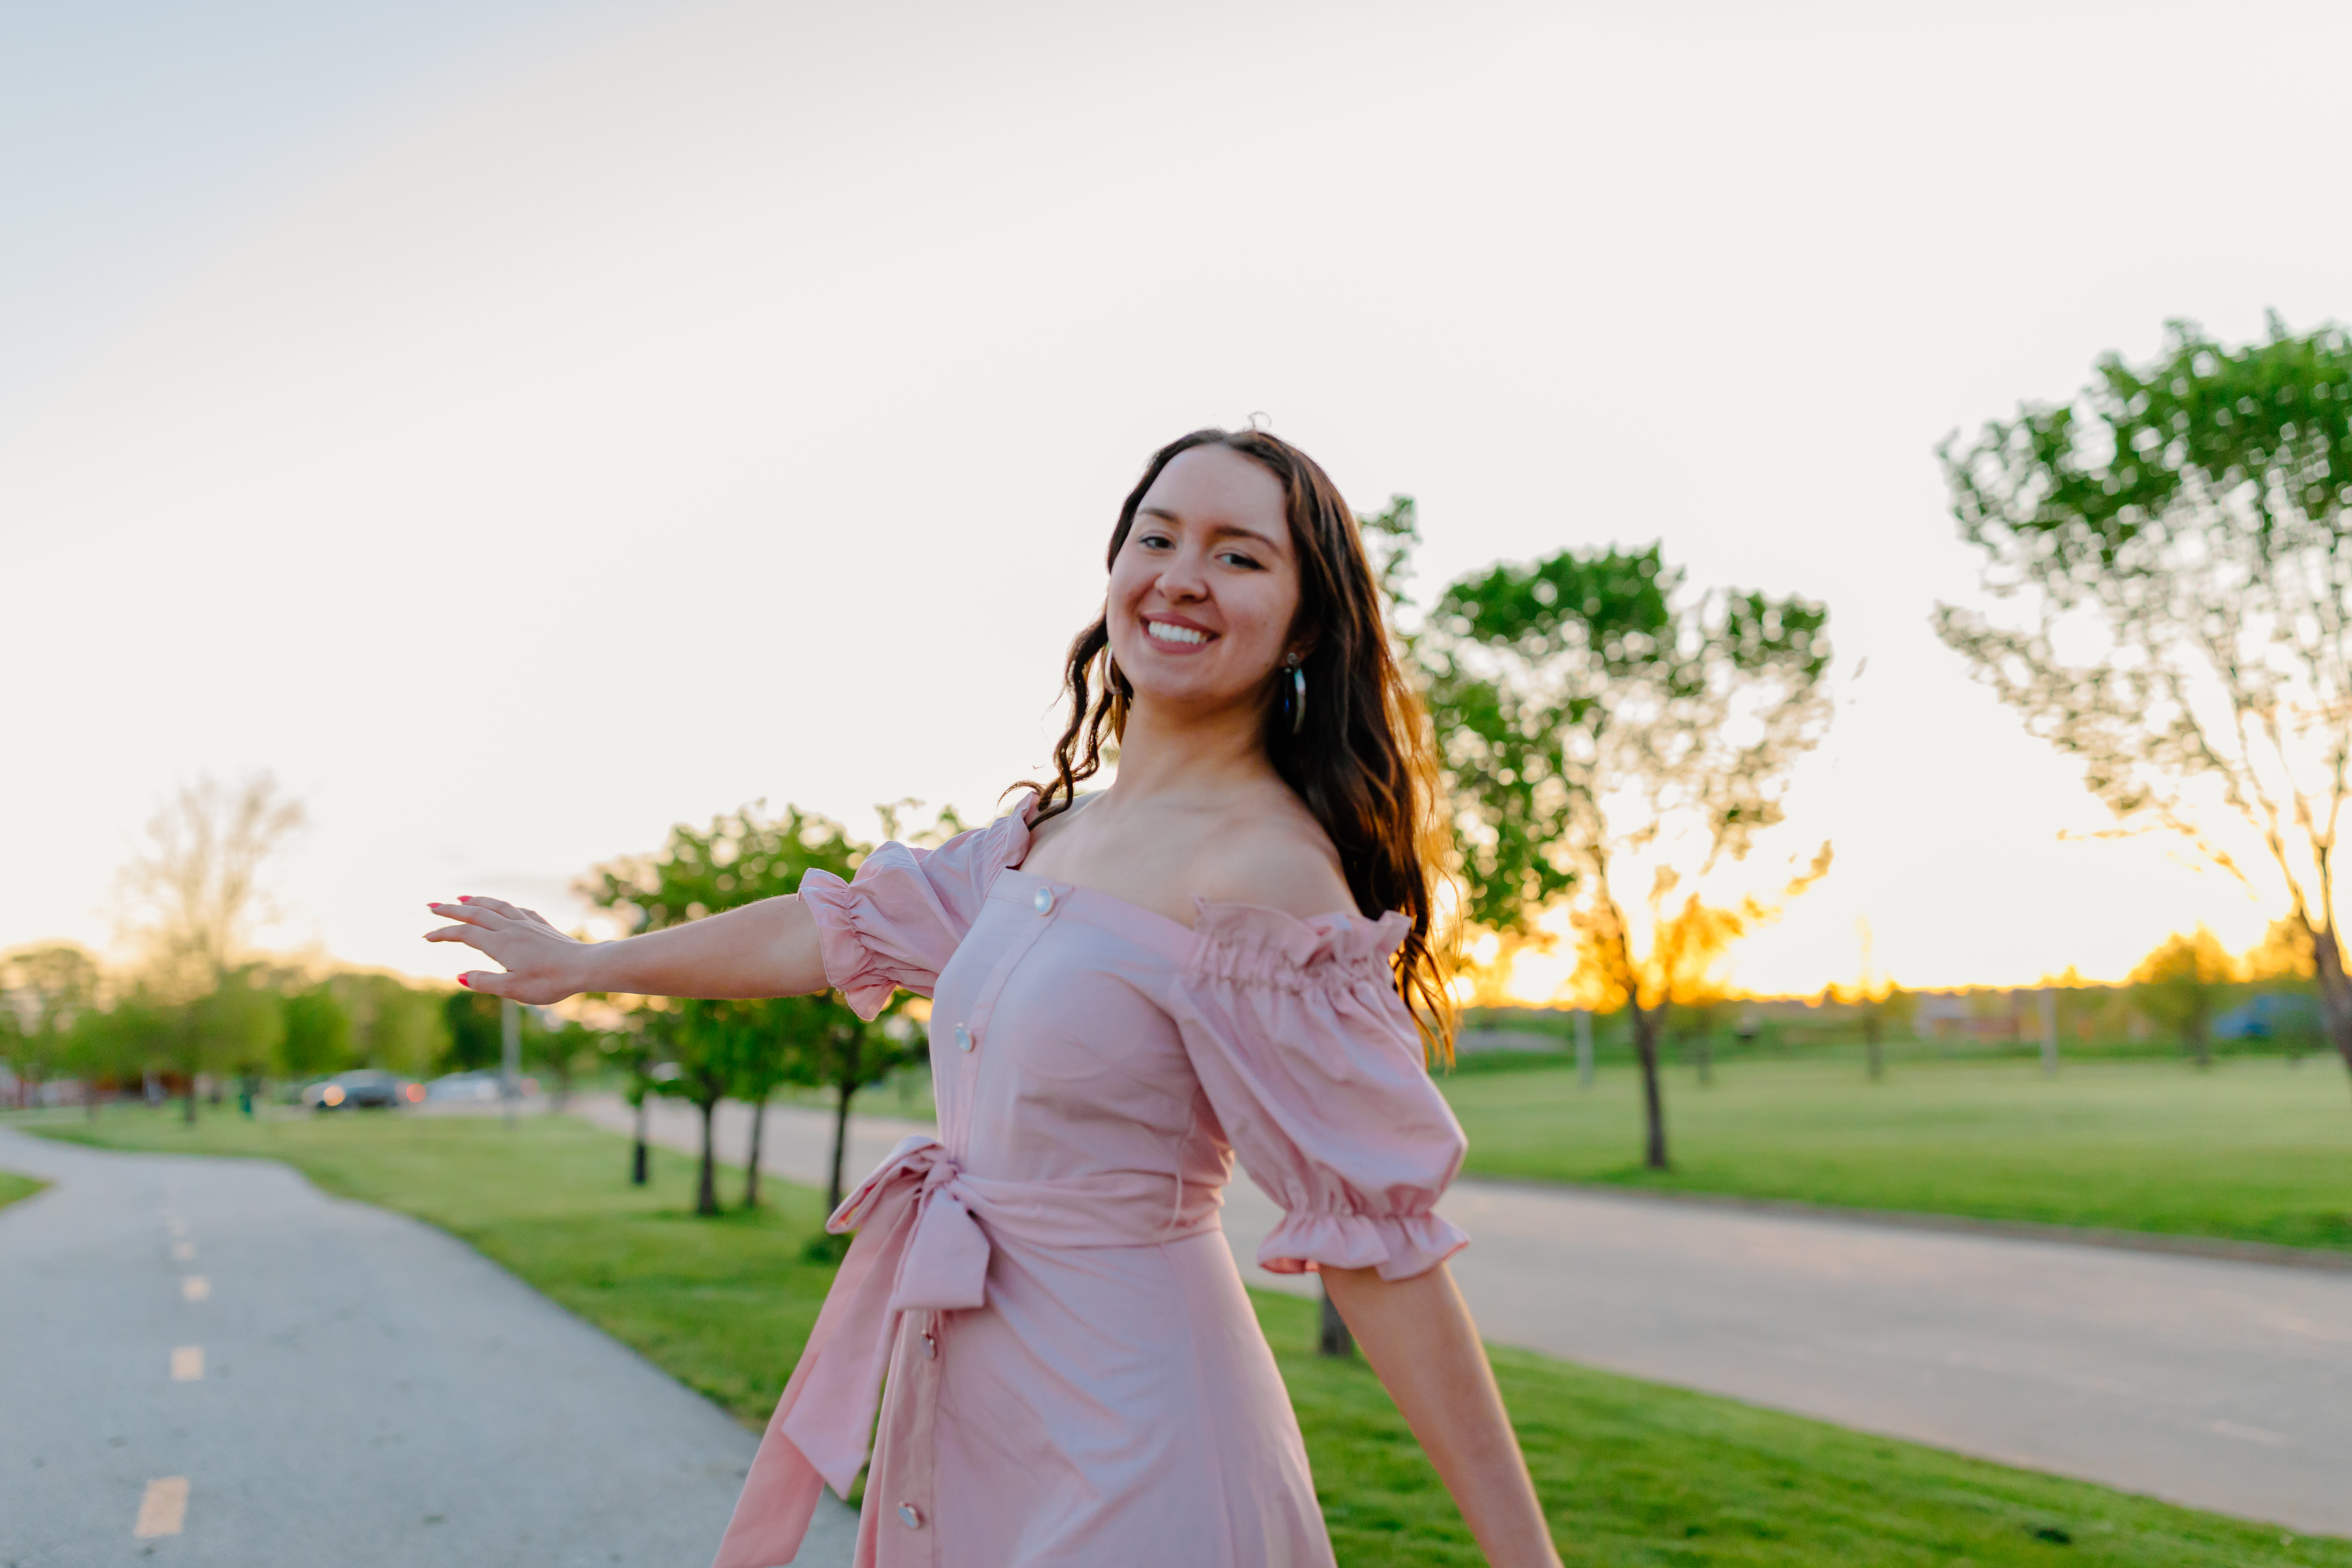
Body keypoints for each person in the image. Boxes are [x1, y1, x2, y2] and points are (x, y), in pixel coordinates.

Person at [425, 428, 1560, 1568]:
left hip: (1143, 1443)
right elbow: (825, 931)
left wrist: (1526, 1558)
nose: (1181, 575)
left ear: (1307, 623)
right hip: (984, 1414)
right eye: (1156, 537)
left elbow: (1379, 1243)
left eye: (1238, 555)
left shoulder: (1268, 876)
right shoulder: (1052, 839)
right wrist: (589, 965)